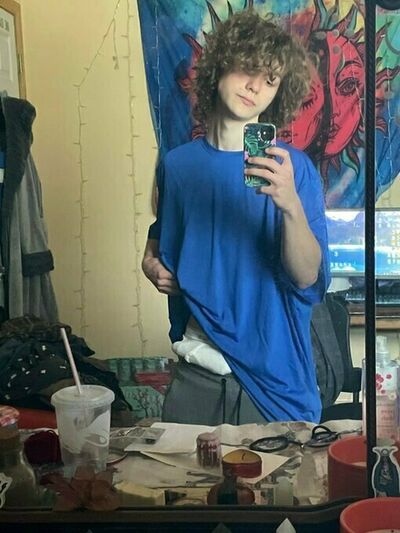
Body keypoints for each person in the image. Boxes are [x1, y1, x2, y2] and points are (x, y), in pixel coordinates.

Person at [142, 9, 330, 425]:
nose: (255, 86)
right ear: (220, 66)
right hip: (197, 371)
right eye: (248, 68)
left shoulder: (293, 170)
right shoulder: (177, 165)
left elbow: (306, 277)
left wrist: (289, 204)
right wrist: (150, 262)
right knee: (181, 470)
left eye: (271, 79)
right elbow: (165, 238)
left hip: (274, 379)